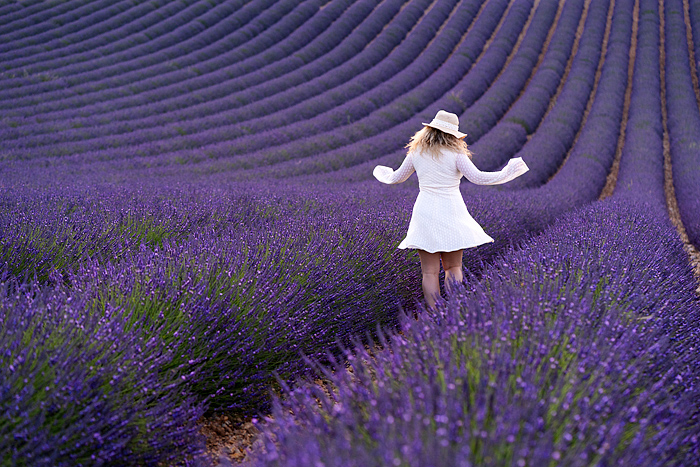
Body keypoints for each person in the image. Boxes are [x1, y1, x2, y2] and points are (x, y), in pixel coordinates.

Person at [373, 110, 529, 309]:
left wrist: (381, 172)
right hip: (451, 211)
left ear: (429, 129)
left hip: (425, 211)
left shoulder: (416, 153)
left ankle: (434, 314)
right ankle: (454, 310)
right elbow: (478, 178)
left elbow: (396, 178)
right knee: (453, 267)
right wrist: (508, 171)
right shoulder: (456, 154)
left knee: (429, 272)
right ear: (453, 134)